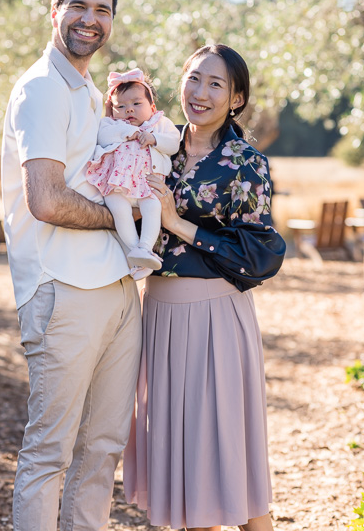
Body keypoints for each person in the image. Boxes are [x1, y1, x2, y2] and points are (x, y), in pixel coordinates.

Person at [1, 0, 142, 531]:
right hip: (61, 289)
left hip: (114, 288)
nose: (91, 20)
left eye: (102, 10)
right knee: (49, 453)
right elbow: (48, 200)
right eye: (79, 7)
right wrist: (122, 216)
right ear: (55, 11)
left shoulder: (86, 89)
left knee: (103, 448)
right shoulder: (41, 88)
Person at [123, 44, 286, 531]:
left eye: (216, 84)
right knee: (191, 463)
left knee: (227, 458)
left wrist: (179, 223)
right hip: (159, 315)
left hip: (215, 317)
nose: (200, 92)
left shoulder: (245, 163)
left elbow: (259, 254)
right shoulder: (156, 146)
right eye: (194, 78)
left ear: (236, 99)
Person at [86, 68, 180, 275]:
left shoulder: (160, 124)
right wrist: (129, 131)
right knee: (120, 212)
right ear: (111, 109)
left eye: (137, 104)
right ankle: (136, 253)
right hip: (116, 183)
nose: (129, 110)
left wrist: (154, 139)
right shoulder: (110, 124)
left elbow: (174, 143)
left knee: (153, 208)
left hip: (147, 183)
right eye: (121, 106)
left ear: (152, 107)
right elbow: (102, 137)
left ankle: (145, 248)